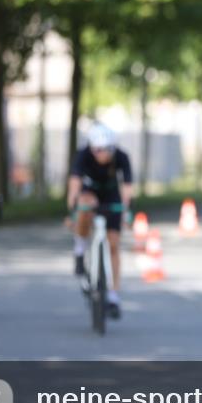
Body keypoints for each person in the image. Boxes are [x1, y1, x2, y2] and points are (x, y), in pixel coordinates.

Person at [67, 123, 133, 318]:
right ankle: (80, 249)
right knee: (85, 204)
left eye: (105, 150)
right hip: (89, 192)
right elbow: (74, 185)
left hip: (111, 195)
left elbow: (127, 188)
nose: (101, 154)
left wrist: (126, 211)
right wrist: (72, 208)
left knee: (114, 244)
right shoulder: (83, 155)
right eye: (97, 150)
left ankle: (113, 295)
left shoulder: (122, 157)